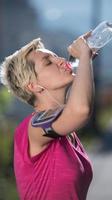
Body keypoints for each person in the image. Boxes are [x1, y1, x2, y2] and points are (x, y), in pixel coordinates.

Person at [0, 32, 95, 200]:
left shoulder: (63, 127)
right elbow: (80, 111)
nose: (60, 60)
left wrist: (83, 62)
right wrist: (84, 59)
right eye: (48, 62)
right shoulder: (33, 128)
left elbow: (76, 108)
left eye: (56, 57)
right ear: (34, 86)